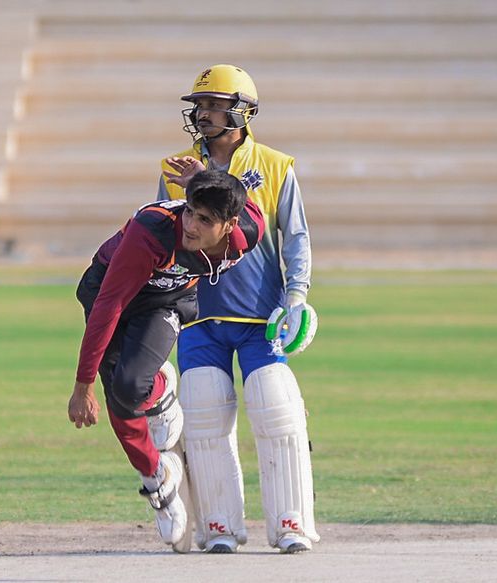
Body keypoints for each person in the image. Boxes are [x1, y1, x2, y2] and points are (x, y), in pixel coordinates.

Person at [157, 64, 320, 554]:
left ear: (242, 111)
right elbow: (160, 240)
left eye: (213, 105)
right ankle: (218, 528)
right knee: (203, 412)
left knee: (276, 411)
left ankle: (292, 524)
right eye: (199, 106)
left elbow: (295, 237)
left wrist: (296, 297)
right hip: (197, 314)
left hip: (260, 316)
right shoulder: (174, 170)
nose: (203, 113)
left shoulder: (275, 165)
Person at [68, 170, 264, 552]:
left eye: (204, 219)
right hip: (111, 290)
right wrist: (82, 385)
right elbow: (109, 306)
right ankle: (157, 478)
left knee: (131, 385)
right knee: (120, 398)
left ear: (229, 225)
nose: (190, 225)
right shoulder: (152, 233)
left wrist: (202, 178)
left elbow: (248, 204)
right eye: (189, 211)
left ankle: (159, 388)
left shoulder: (246, 233)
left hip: (165, 301)